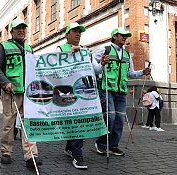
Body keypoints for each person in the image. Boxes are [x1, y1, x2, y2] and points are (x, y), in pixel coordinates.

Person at [92, 28, 151, 156]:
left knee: (119, 118)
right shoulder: (104, 50)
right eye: (122, 35)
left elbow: (130, 74)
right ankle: (101, 143)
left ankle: (113, 145)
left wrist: (142, 72)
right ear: (114, 36)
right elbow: (93, 66)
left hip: (122, 91)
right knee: (110, 116)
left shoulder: (127, 54)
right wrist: (101, 65)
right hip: (106, 89)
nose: (125, 37)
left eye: (126, 36)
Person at [0, 18, 42, 168]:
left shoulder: (29, 48)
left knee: (28, 123)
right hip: (10, 92)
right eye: (18, 28)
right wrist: (5, 82)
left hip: (27, 92)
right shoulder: (3, 46)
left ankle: (31, 155)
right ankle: (6, 152)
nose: (21, 30)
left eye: (23, 28)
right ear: (12, 31)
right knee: (9, 123)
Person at [56, 22, 91, 170]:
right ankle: (77, 154)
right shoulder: (60, 49)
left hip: (83, 91)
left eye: (79, 32)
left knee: (77, 122)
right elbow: (55, 67)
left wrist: (101, 63)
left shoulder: (85, 50)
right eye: (74, 31)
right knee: (75, 122)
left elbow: (94, 68)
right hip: (67, 91)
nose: (78, 34)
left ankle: (71, 148)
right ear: (67, 35)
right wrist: (71, 53)